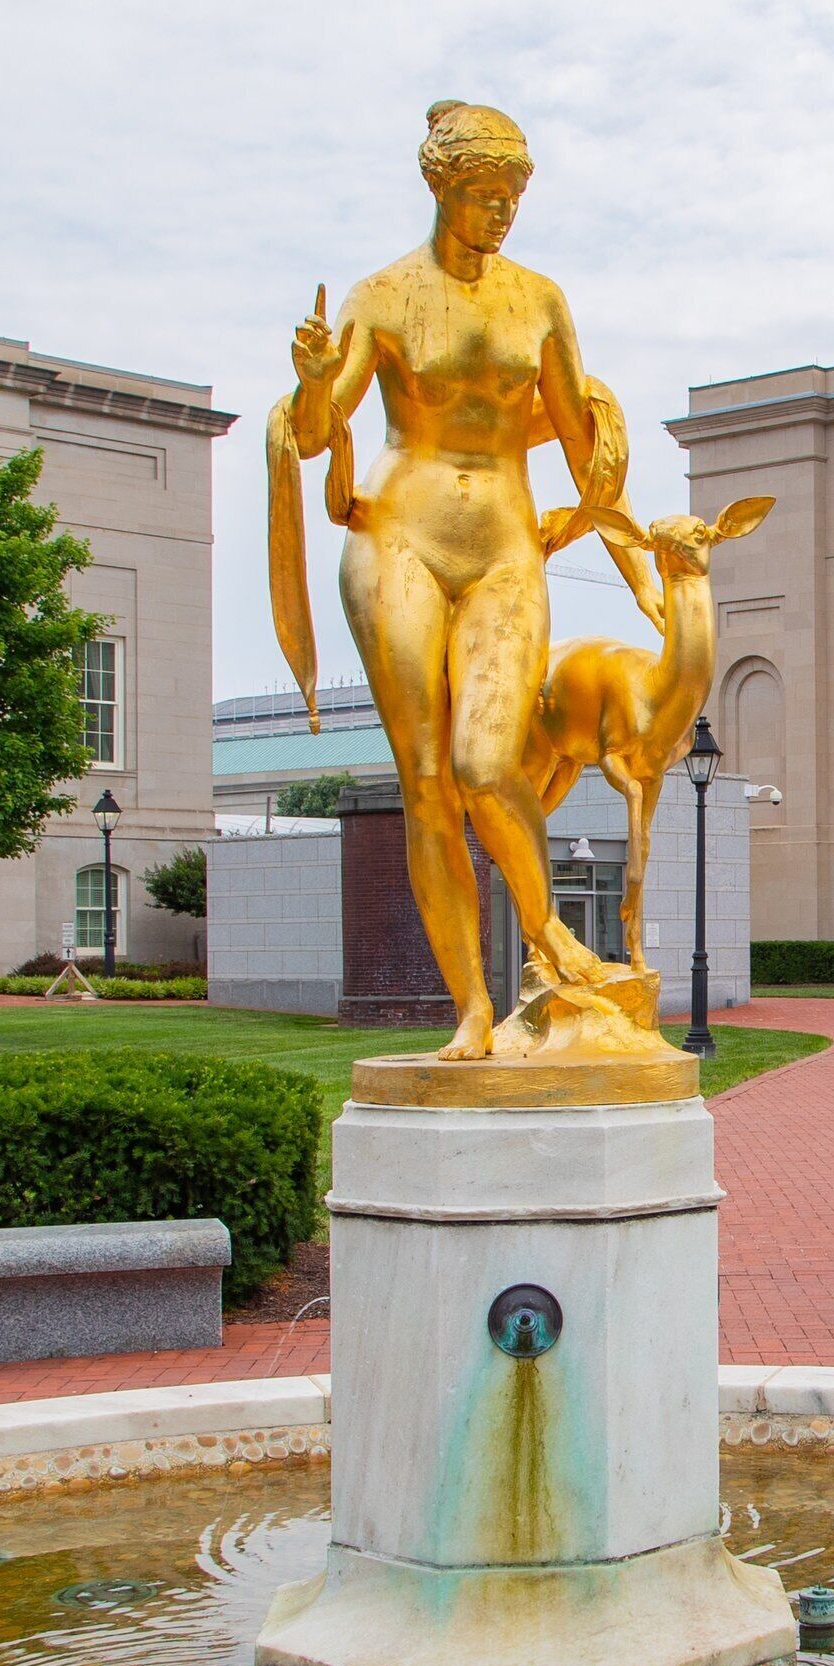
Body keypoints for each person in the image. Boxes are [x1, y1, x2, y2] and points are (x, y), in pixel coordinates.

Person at [270, 101, 646, 1061]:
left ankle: (550, 935)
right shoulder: (384, 296)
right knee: (429, 778)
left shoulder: (541, 300)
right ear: (442, 186)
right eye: (483, 196)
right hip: (400, 538)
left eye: (510, 198)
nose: (498, 214)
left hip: (505, 548)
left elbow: (576, 429)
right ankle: (473, 1007)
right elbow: (318, 437)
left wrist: (609, 527)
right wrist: (315, 382)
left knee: (489, 765)